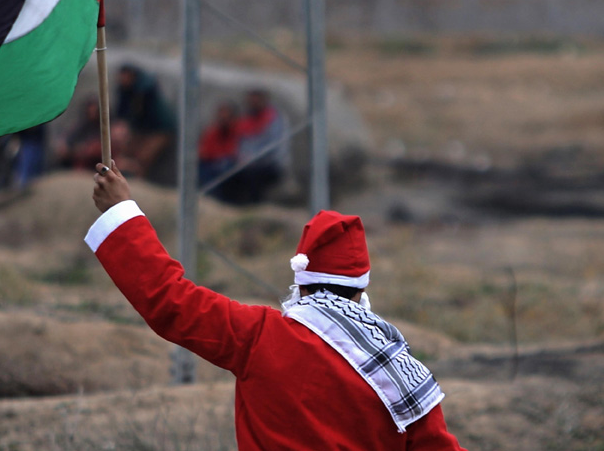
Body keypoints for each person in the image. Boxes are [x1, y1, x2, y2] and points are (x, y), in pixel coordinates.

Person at [87, 161, 468, 451]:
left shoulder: (260, 336)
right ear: (360, 293)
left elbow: (170, 299)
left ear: (301, 287)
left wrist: (121, 212)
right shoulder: (403, 376)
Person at [227, 88, 289, 204]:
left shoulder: (273, 118)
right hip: (246, 163)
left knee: (253, 175)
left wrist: (254, 159)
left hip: (269, 164)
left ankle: (254, 205)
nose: (253, 102)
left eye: (256, 98)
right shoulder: (245, 119)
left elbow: (275, 147)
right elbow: (240, 143)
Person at [115, 64, 177, 179]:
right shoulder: (125, 90)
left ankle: (139, 177)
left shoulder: (143, 90)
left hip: (159, 128)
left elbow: (138, 111)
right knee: (128, 151)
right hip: (142, 127)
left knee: (144, 156)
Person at [197, 101, 240, 197]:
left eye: (227, 117)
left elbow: (234, 152)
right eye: (221, 116)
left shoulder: (237, 132)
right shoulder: (212, 131)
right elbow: (204, 152)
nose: (223, 119)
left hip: (229, 165)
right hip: (211, 164)